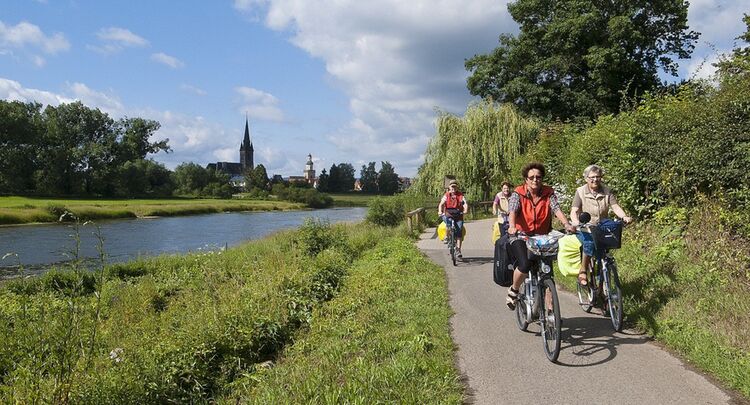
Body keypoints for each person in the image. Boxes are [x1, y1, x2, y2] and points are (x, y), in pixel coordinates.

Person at [506, 163, 576, 309]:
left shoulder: (548, 193)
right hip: (521, 234)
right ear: (526, 179)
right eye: (531, 177)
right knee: (524, 264)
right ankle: (514, 290)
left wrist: (567, 224)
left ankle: (551, 311)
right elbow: (512, 211)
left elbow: (556, 209)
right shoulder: (517, 194)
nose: (535, 180)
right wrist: (512, 227)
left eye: (538, 177)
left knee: (547, 273)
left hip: (542, 236)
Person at [570, 164, 632, 286]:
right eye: (592, 177)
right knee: (589, 243)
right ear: (586, 178)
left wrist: (624, 217)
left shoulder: (607, 191)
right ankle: (583, 270)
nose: (595, 179)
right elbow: (574, 210)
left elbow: (615, 206)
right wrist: (576, 222)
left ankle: (602, 285)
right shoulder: (580, 191)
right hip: (586, 227)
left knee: (603, 251)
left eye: (598, 176)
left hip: (602, 227)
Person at [438, 179, 469, 258]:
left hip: (458, 215)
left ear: (457, 187)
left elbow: (465, 204)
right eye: (452, 187)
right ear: (449, 187)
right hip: (449, 214)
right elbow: (441, 204)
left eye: (455, 187)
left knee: (459, 232)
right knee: (448, 224)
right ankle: (446, 236)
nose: (453, 188)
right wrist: (440, 211)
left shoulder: (460, 195)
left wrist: (465, 210)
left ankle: (458, 250)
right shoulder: (446, 195)